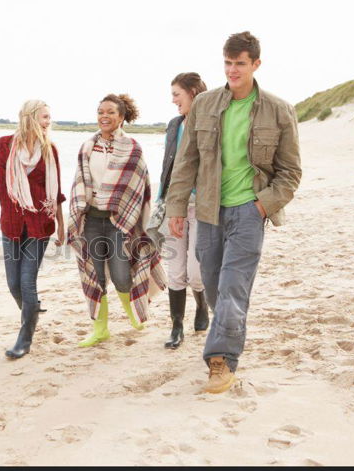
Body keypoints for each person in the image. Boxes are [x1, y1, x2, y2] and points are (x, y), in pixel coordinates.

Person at [166, 31, 301, 393]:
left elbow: (291, 173)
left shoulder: (279, 109)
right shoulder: (206, 105)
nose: (232, 70)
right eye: (228, 62)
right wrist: (176, 207)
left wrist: (261, 205)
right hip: (208, 210)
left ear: (256, 64)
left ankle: (220, 361)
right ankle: (227, 333)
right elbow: (186, 161)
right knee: (213, 286)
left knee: (232, 288)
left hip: (248, 211)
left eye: (240, 63)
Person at [68, 94, 166, 347]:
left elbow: (139, 188)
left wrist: (142, 222)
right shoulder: (88, 146)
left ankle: (134, 314)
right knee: (95, 276)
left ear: (121, 117)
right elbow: (80, 182)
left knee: (122, 275)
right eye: (101, 111)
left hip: (120, 222)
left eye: (110, 112)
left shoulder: (132, 147)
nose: (104, 116)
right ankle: (100, 329)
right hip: (91, 219)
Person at [0, 100, 66, 359]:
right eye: (44, 117)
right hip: (11, 223)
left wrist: (62, 226)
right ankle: (31, 313)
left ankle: (24, 337)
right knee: (13, 284)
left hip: (40, 224)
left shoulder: (50, 150)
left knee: (27, 282)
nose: (48, 121)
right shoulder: (4, 145)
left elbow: (56, 192)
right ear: (29, 117)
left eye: (49, 117)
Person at [159, 73, 210, 349]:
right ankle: (176, 325)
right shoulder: (174, 125)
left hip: (203, 206)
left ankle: (202, 306)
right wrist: (161, 201)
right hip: (175, 205)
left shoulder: (211, 123)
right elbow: (168, 165)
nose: (173, 100)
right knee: (175, 268)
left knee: (195, 270)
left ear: (192, 92)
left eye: (177, 94)